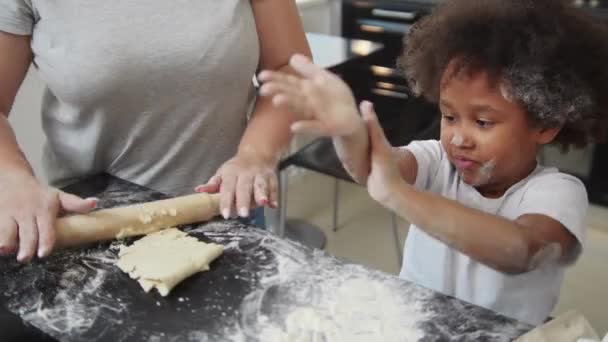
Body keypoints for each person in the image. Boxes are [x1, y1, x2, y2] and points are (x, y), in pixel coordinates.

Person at [257, 0, 608, 325]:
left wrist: (398, 194)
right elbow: (374, 168)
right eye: (449, 116)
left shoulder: (558, 192)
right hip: (418, 320)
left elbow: (522, 251)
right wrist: (350, 134)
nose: (458, 138)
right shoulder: (438, 160)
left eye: (483, 122)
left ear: (545, 125)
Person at [0, 1, 310, 262]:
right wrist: (13, 178)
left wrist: (255, 156)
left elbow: (290, 69)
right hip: (92, 222)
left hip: (225, 206)